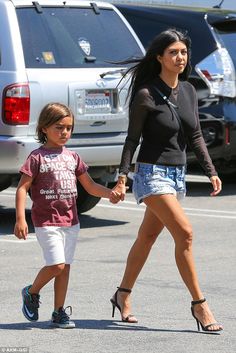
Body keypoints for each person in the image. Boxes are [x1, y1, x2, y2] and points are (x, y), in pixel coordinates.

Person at [110, 29, 223, 332]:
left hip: (177, 175)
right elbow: (132, 141)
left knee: (146, 238)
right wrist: (122, 178)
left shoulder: (187, 90)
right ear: (159, 57)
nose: (179, 57)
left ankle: (122, 294)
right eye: (173, 52)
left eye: (183, 52)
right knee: (185, 234)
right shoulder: (146, 94)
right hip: (151, 173)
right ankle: (200, 305)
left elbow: (196, 135)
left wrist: (211, 171)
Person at [14, 102, 120, 329]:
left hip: (71, 222)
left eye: (68, 128)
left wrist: (110, 194)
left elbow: (90, 186)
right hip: (46, 221)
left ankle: (58, 312)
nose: (64, 132)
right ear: (44, 128)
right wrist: (20, 219)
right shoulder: (37, 157)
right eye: (59, 127)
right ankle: (31, 292)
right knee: (57, 265)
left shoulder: (73, 157)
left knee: (65, 267)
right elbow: (22, 188)